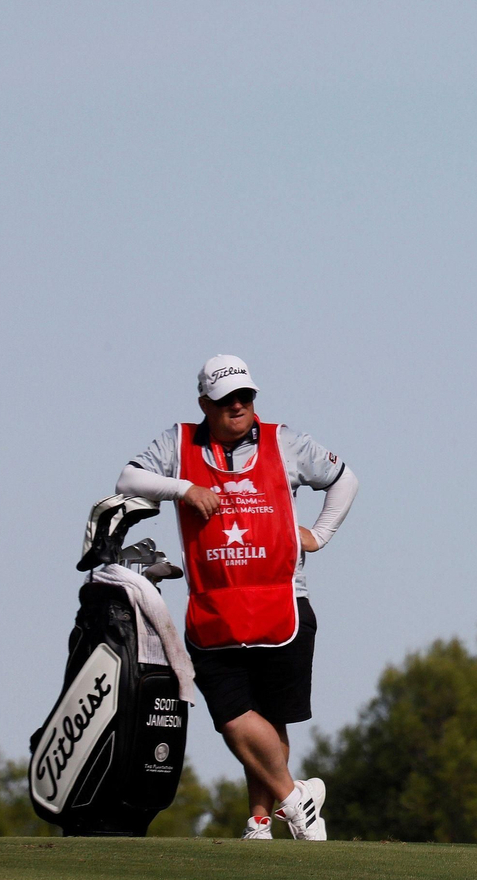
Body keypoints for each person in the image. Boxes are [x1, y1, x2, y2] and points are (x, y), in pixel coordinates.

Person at [116, 355, 358, 841]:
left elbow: (344, 479)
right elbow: (128, 480)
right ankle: (297, 800)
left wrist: (321, 534)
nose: (238, 406)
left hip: (284, 603)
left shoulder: (284, 441)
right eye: (226, 399)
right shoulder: (179, 442)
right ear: (205, 403)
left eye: (246, 396)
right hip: (214, 608)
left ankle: (261, 822)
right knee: (232, 718)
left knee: (269, 720)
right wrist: (183, 488)